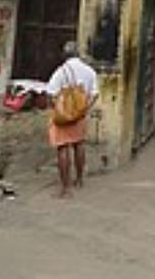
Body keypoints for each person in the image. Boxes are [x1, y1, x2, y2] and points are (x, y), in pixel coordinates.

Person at [44, 41, 99, 199]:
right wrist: (84, 110)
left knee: (63, 148)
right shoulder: (89, 71)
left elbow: (50, 93)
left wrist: (57, 109)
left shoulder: (61, 72)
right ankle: (80, 179)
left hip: (63, 116)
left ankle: (65, 188)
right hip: (80, 114)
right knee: (79, 145)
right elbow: (95, 93)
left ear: (65, 55)